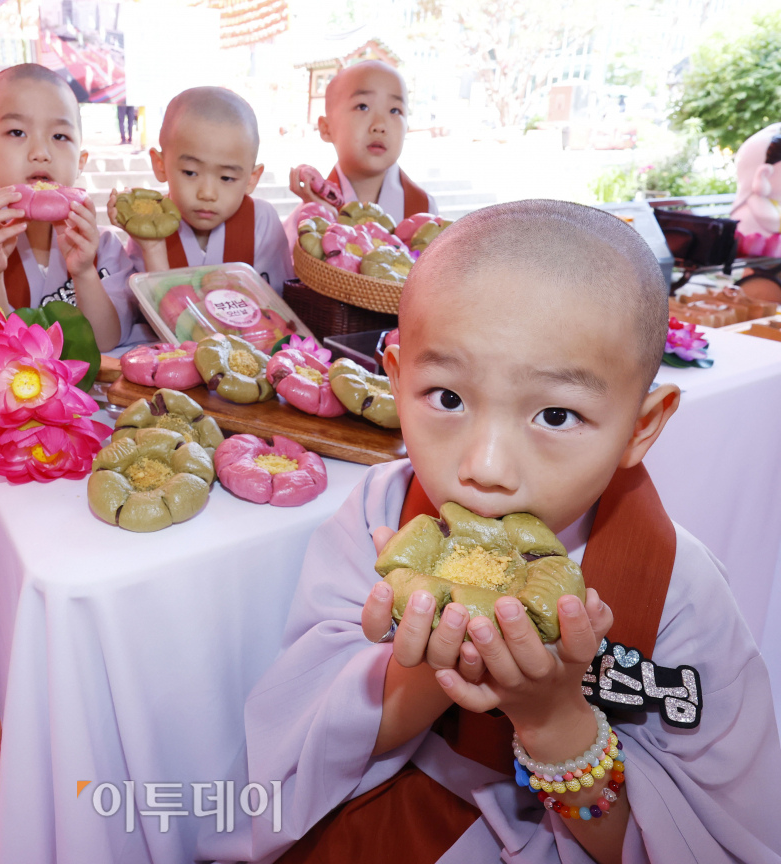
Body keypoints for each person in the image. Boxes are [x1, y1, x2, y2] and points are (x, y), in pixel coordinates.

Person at [198, 200, 781, 864]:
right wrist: (422, 673)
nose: (485, 469)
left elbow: (714, 835)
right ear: (395, 379)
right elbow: (297, 746)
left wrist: (553, 718)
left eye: (556, 415)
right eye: (447, 398)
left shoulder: (680, 587)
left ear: (641, 427)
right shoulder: (382, 516)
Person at [0, 63, 136, 352]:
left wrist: (84, 273)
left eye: (59, 136)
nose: (40, 153)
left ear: (81, 161)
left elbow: (105, 342)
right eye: (17, 132)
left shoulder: (103, 246)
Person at [116, 86, 293, 289]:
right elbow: (146, 312)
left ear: (252, 178)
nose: (207, 194)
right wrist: (153, 250)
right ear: (160, 165)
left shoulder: (260, 221)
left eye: (226, 178)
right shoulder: (149, 227)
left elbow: (278, 308)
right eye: (190, 173)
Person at [285, 61, 437, 246]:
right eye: (363, 106)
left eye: (395, 110)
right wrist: (323, 215)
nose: (380, 125)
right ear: (326, 129)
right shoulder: (307, 218)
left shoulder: (423, 209)